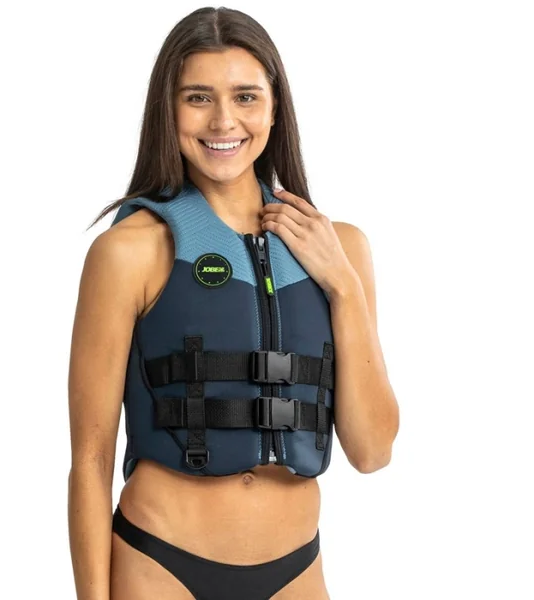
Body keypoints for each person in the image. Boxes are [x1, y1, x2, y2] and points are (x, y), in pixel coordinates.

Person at [67, 6, 399, 600]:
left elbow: (372, 451)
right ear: (168, 110)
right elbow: (90, 459)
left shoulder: (342, 249)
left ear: (275, 108)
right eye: (198, 98)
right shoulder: (128, 252)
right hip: (161, 565)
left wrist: (344, 287)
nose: (224, 120)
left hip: (296, 570)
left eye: (246, 96)